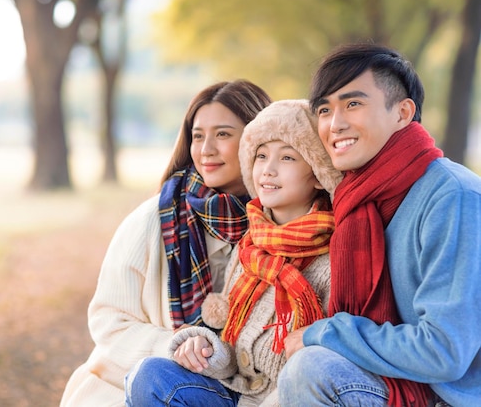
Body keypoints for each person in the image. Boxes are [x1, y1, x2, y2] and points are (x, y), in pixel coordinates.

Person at [276, 43, 481, 407]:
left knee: (311, 368)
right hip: (390, 382)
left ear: (402, 113)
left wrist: (325, 333)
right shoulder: (354, 199)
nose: (334, 123)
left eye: (353, 104)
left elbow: (445, 351)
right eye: (324, 109)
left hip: (448, 397)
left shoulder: (453, 196)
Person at [59, 80, 272, 407]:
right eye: (198, 136)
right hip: (150, 387)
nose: (206, 149)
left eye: (223, 134)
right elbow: (108, 321)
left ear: (257, 139)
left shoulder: (284, 222)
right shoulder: (154, 220)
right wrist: (177, 345)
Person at [124, 99, 342, 406]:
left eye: (288, 158)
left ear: (318, 173)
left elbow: (324, 368)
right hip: (235, 394)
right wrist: (207, 350)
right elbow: (230, 349)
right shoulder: (249, 247)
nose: (268, 169)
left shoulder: (332, 260)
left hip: (286, 399)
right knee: (149, 375)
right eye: (261, 156)